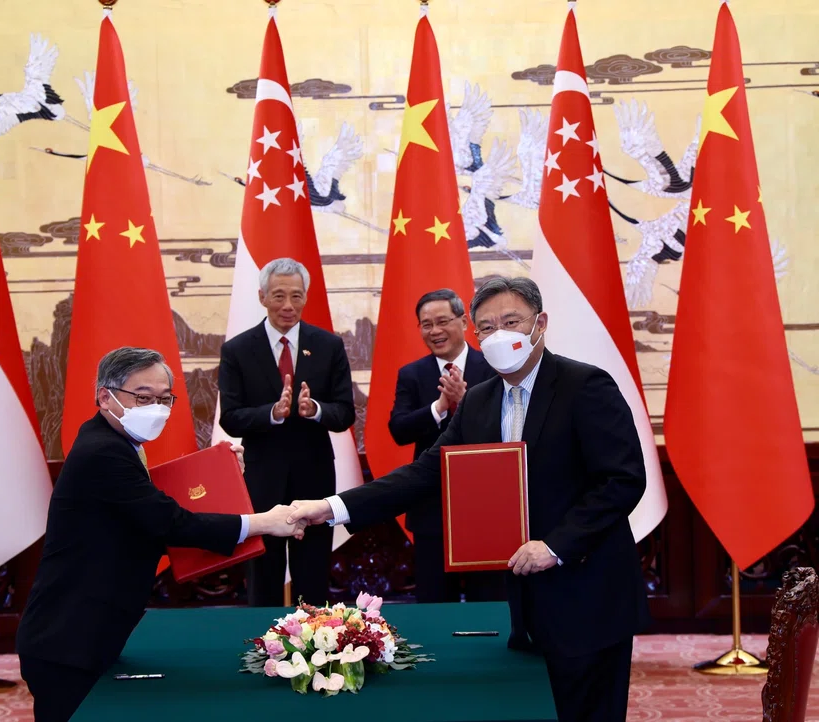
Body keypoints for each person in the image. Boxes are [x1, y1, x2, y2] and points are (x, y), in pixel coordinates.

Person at [287, 276, 650, 722]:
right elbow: (425, 473)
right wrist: (331, 507)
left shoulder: (585, 385)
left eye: (511, 321)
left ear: (541, 324)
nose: (499, 335)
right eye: (487, 327)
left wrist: (556, 545)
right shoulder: (479, 400)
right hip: (524, 606)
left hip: (588, 598)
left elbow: (622, 480)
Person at [16, 347, 302, 722]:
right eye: (143, 398)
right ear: (105, 396)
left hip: (87, 633)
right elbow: (171, 522)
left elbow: (158, 504)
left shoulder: (114, 442)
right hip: (66, 642)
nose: (157, 409)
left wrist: (224, 471)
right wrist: (264, 521)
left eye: (164, 399)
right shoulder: (103, 452)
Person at [218, 257, 355, 608]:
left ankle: (319, 648)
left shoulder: (328, 345)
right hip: (263, 476)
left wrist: (316, 410)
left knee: (312, 573)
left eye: (296, 296)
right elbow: (230, 418)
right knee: (263, 572)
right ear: (262, 296)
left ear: (306, 297)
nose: (288, 306)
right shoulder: (237, 350)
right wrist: (272, 414)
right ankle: (264, 651)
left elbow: (345, 414)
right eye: (279, 296)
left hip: (314, 475)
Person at [389, 288, 502, 604]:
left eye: (442, 321)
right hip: (431, 504)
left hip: (487, 504)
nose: (435, 331)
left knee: (489, 597)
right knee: (435, 599)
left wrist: (467, 403)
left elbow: (509, 427)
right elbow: (398, 430)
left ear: (464, 322)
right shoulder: (413, 374)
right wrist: (439, 406)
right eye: (426, 324)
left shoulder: (494, 366)